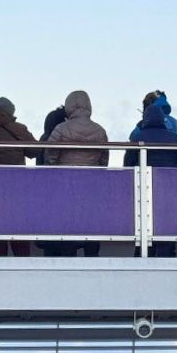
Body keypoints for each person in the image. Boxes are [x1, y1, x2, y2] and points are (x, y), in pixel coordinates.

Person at [44, 91, 108, 256]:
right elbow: (104, 160)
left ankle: (69, 255)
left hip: (65, 184)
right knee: (91, 220)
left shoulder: (60, 129)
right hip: (91, 184)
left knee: (68, 221)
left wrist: (55, 174)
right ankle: (92, 255)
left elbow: (50, 156)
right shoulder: (100, 130)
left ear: (69, 106)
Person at [124, 104, 177, 257]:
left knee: (143, 222)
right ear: (162, 120)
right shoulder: (175, 139)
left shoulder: (136, 139)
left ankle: (142, 255)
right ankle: (167, 255)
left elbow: (128, 165)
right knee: (166, 223)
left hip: (143, 189)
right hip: (168, 189)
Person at [0, 97, 37, 257]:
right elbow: (34, 151)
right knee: (17, 227)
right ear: (10, 112)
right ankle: (23, 263)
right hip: (16, 187)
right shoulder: (18, 129)